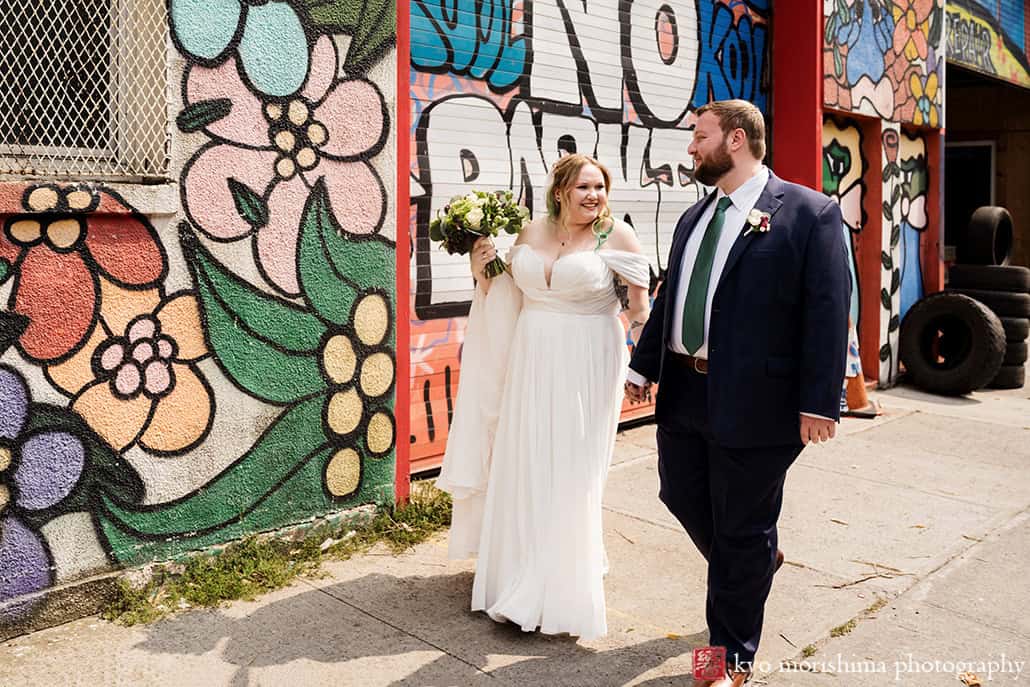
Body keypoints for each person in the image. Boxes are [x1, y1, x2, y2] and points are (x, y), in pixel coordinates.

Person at [625, 100, 849, 686]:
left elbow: (828, 312)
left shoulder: (809, 213)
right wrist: (641, 368)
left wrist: (820, 402)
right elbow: (674, 296)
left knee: (741, 528)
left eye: (700, 137)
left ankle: (724, 663)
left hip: (760, 405)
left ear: (738, 140)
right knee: (680, 496)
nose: (691, 149)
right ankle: (753, 563)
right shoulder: (692, 218)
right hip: (684, 394)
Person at [436, 153, 651, 640]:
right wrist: (481, 264)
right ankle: (518, 569)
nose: (594, 196)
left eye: (600, 187)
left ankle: (561, 577)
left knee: (573, 466)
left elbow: (641, 309)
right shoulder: (531, 233)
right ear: (560, 192)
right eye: (584, 188)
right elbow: (505, 294)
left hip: (588, 359)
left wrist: (642, 364)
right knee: (528, 459)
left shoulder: (616, 237)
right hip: (530, 360)